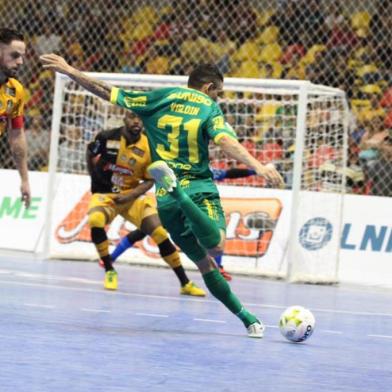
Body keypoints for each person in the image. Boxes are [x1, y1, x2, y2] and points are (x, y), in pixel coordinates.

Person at [40, 54, 284, 338]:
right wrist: (257, 166)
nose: (217, 97)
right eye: (217, 92)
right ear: (208, 89)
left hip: (163, 195)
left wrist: (71, 71)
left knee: (204, 266)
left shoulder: (161, 97)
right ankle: (182, 194)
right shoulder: (209, 108)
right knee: (215, 246)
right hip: (197, 188)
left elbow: (108, 92)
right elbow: (224, 140)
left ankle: (248, 319)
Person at [86, 110, 205, 297]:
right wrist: (94, 177)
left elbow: (151, 180)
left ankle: (185, 283)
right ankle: (110, 270)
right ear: (124, 118)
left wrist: (131, 194)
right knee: (95, 219)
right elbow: (90, 152)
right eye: (133, 117)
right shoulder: (107, 137)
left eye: (140, 118)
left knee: (159, 232)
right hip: (106, 194)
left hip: (132, 196)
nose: (137, 122)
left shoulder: (149, 146)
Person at [0, 28, 30, 207]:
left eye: (22, 56)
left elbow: (17, 135)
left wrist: (24, 180)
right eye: (14, 55)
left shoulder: (16, 90)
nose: (20, 62)